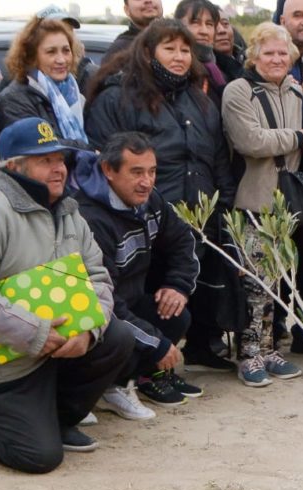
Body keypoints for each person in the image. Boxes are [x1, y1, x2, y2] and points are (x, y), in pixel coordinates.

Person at [0, 118, 135, 472]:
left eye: (60, 159)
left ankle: (55, 418)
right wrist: (34, 333)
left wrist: (88, 331)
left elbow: (99, 278)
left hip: (46, 350)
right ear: (13, 166)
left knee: (117, 337)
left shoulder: (69, 212)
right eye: (45, 161)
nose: (59, 169)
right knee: (39, 458)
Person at [86, 19, 238, 371]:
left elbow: (216, 156)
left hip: (198, 211)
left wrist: (225, 206)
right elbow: (106, 160)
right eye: (169, 48)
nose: (179, 56)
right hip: (145, 218)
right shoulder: (118, 97)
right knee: (147, 297)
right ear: (147, 52)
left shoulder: (199, 101)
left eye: (185, 49)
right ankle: (142, 369)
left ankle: (198, 349)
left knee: (187, 289)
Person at [74, 133, 201, 416]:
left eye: (152, 171)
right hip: (99, 313)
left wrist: (177, 285)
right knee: (124, 335)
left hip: (130, 299)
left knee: (176, 313)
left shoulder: (149, 200)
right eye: (136, 172)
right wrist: (157, 344)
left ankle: (132, 379)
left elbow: (183, 240)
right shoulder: (90, 218)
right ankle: (109, 387)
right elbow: (104, 303)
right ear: (108, 170)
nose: (147, 182)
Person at [223, 22, 303, 385]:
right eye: (269, 52)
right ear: (254, 55)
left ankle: (268, 347)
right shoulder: (238, 91)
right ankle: (248, 354)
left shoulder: (296, 90)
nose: (277, 59)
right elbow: (252, 141)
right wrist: (300, 137)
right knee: (254, 284)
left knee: (276, 281)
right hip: (252, 200)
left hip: (285, 203)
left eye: (283, 53)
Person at [0, 17, 87, 142]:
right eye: (51, 52)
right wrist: (89, 151)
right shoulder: (13, 100)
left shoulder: (74, 95)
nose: (61, 60)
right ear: (31, 57)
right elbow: (43, 148)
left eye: (66, 51)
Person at [175, 0, 229, 92]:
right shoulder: (172, 72)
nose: (204, 31)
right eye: (195, 23)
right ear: (177, 25)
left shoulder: (220, 72)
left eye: (209, 24)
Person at [214, 14, 247, 83]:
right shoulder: (204, 73)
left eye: (225, 23)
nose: (222, 30)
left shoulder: (249, 59)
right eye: (212, 25)